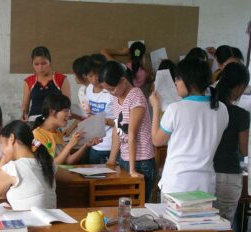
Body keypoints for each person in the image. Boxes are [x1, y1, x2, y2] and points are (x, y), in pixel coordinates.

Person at [149, 57, 229, 196]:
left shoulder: (175, 109)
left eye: (178, 79)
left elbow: (157, 140)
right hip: (205, 185)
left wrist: (156, 108)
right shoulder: (222, 109)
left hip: (177, 184)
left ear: (190, 83)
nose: (175, 83)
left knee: (173, 219)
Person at [100, 61, 156, 202]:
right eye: (107, 90)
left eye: (112, 89)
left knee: (139, 206)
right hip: (125, 159)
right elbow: (118, 128)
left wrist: (132, 170)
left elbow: (131, 134)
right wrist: (113, 159)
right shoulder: (116, 97)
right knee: (125, 206)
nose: (111, 93)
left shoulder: (136, 97)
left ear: (123, 81)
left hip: (141, 161)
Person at [213, 62, 249, 224]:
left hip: (205, 173)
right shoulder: (241, 115)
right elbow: (244, 149)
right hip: (228, 175)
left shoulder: (208, 107)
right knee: (222, 228)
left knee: (202, 230)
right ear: (240, 87)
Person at [32, 93, 101, 164]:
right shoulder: (36, 135)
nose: (69, 115)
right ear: (51, 112)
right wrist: (70, 144)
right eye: (66, 111)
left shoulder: (58, 133)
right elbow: (51, 166)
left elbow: (68, 161)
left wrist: (86, 145)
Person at [21, 46, 71, 121]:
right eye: (36, 64)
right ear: (32, 64)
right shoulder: (29, 81)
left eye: (44, 63)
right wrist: (24, 114)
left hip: (55, 120)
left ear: (50, 62)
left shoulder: (61, 79)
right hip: (34, 120)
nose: (40, 67)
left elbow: (67, 104)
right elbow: (25, 104)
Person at [83, 54, 115, 164]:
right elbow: (89, 114)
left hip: (111, 144)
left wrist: (102, 120)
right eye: (90, 75)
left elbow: (121, 122)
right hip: (94, 143)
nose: (94, 79)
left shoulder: (112, 91)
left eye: (97, 74)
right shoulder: (89, 89)